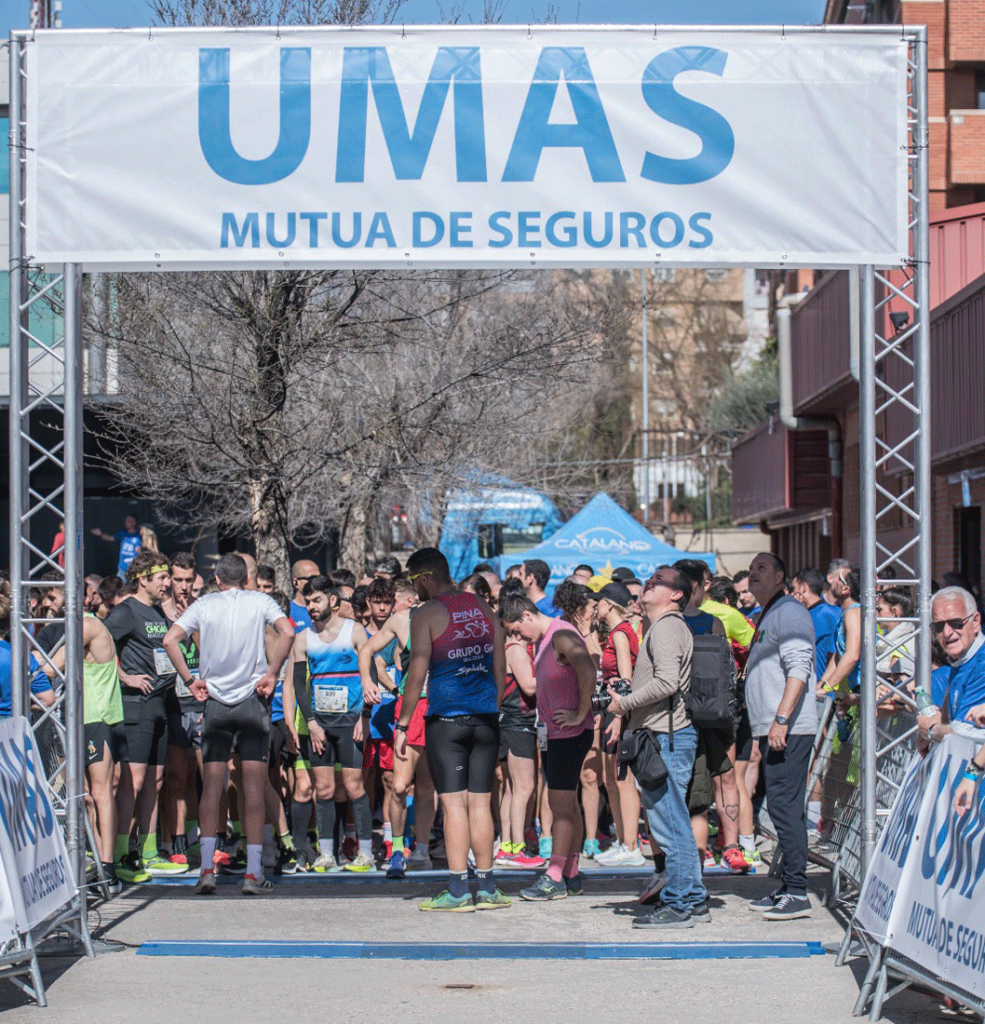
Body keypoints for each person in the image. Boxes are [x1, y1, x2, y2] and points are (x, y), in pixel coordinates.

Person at [163, 553, 295, 896]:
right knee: (252, 786)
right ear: (247, 579)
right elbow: (288, 632)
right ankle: (253, 873)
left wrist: (190, 679)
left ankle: (207, 869)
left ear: (218, 579)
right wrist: (272, 673)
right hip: (252, 701)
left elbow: (170, 640)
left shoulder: (204, 605)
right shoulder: (260, 600)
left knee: (212, 785)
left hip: (217, 704)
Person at [395, 547, 509, 912]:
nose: (416, 590)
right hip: (486, 718)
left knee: (454, 804)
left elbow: (417, 673)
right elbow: (500, 666)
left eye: (415, 582)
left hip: (446, 721)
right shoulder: (483, 608)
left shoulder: (426, 612)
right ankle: (488, 887)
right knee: (480, 802)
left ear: (425, 577)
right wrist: (493, 708)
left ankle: (459, 890)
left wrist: (402, 723)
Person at [607, 565, 707, 928]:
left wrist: (625, 702)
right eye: (650, 579)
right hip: (666, 736)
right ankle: (693, 899)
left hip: (667, 737)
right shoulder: (662, 627)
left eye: (658, 581)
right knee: (673, 822)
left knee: (671, 827)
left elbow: (666, 683)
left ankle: (679, 903)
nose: (649, 583)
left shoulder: (666, 627)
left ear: (676, 594)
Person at [501, 591, 596, 901]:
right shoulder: (542, 640)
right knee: (568, 805)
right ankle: (570, 872)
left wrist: (580, 713)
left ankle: (554, 875)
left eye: (516, 629)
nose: (516, 637)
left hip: (568, 734)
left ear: (527, 616)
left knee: (560, 807)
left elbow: (587, 669)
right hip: (553, 734)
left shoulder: (561, 633)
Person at [104, 552, 189, 883]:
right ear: (143, 579)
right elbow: (97, 646)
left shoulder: (157, 611)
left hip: (160, 706)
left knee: (155, 781)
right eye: (162, 578)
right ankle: (122, 855)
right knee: (132, 782)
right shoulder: (126, 611)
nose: (168, 583)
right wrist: (125, 678)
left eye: (169, 577)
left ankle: (150, 853)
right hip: (135, 706)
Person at [744, 552, 817, 920]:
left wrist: (782, 719)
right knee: (781, 807)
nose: (753, 574)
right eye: (751, 569)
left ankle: (799, 891)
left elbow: (799, 667)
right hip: (775, 728)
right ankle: (789, 886)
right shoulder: (770, 613)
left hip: (789, 728)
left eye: (762, 569)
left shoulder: (789, 612)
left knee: (785, 808)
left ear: (780, 576)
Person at [286, 576, 375, 872]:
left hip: (351, 722)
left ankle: (365, 853)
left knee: (353, 786)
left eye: (317, 600)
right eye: (308, 601)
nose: (311, 607)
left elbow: (370, 676)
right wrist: (310, 723)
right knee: (323, 790)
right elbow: (299, 685)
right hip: (321, 724)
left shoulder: (355, 632)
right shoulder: (303, 639)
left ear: (333, 601)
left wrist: (365, 716)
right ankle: (326, 853)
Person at [358, 578, 434, 877]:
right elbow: (366, 651)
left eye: (395, 600)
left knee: (428, 785)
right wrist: (368, 681)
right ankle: (398, 850)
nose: (390, 606)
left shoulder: (442, 615)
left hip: (440, 704)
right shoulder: (401, 621)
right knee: (400, 785)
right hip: (411, 706)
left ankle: (423, 850)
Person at [47, 610, 125, 889]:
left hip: (97, 718)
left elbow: (50, 667)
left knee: (101, 792)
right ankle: (95, 858)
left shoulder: (89, 625)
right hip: (80, 719)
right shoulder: (76, 627)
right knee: (87, 797)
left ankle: (108, 867)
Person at [594, 581, 644, 867]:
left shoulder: (622, 634)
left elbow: (626, 680)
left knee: (623, 779)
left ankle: (632, 846)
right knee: (611, 778)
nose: (595, 606)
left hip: (620, 714)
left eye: (599, 601)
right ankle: (622, 840)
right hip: (612, 712)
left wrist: (619, 717)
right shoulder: (614, 633)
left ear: (610, 604)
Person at [924, 586, 985, 750]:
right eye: (938, 626)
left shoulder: (982, 663)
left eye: (956, 623)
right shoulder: (961, 661)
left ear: (976, 622)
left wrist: (929, 729)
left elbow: (963, 733)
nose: (947, 632)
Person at [792, 567, 841, 682]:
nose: (792, 594)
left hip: (820, 688)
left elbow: (795, 646)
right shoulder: (819, 612)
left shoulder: (819, 615)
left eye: (794, 589)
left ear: (803, 587)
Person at [91, 513, 143, 577]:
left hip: (135, 568)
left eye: (129, 521)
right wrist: (100, 534)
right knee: (120, 585)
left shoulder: (139, 535)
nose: (126, 523)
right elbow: (110, 538)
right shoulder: (122, 533)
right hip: (123, 568)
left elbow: (145, 548)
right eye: (126, 521)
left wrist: (140, 551)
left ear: (134, 522)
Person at [289, 559, 320, 631]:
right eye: (312, 579)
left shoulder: (325, 609)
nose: (318, 582)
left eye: (319, 578)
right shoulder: (287, 612)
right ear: (296, 582)